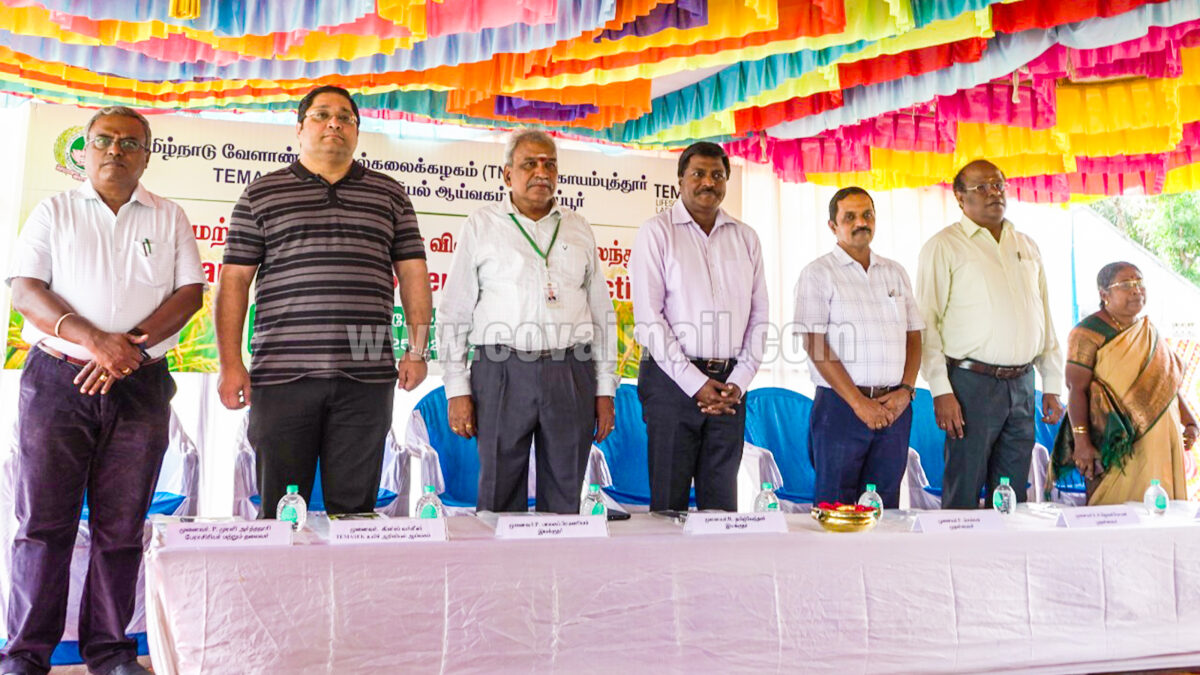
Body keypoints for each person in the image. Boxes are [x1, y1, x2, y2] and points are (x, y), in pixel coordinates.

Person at [4, 107, 205, 675]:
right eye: (104, 140)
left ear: (146, 154)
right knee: (43, 526)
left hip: (139, 385)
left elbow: (189, 294)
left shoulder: (169, 217)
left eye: (130, 142)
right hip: (56, 384)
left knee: (121, 527)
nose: (116, 150)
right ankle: (25, 654)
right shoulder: (55, 210)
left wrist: (128, 351)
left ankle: (110, 650)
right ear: (85, 150)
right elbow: (25, 291)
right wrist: (97, 342)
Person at [216, 85, 432, 517]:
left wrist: (417, 349)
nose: (334, 123)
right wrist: (231, 364)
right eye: (321, 115)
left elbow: (412, 275)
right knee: (281, 512)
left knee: (354, 514)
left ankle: (348, 588)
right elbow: (235, 281)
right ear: (299, 129)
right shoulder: (261, 194)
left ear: (357, 131)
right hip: (281, 376)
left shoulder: (390, 195)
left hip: (366, 377)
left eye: (345, 117)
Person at [437, 130, 617, 514]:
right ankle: (501, 575)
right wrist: (456, 388)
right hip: (500, 371)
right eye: (529, 164)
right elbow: (454, 311)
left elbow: (603, 314)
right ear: (506, 175)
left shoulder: (578, 226)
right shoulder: (481, 225)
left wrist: (606, 390)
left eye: (549, 164)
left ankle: (558, 571)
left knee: (567, 492)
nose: (541, 172)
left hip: (571, 370)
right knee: (499, 492)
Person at [916, 159, 1065, 509]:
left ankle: (1006, 562)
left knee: (1013, 491)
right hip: (970, 385)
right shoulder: (943, 246)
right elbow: (927, 323)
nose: (993, 193)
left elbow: (1044, 316)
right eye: (981, 187)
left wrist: (1053, 384)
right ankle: (958, 562)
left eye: (998, 185)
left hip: (1023, 384)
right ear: (959, 197)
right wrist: (940, 390)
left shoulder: (1026, 244)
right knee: (964, 487)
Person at [631, 141, 768, 512]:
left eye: (718, 175)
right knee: (669, 506)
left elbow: (760, 318)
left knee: (722, 508)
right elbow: (649, 318)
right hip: (671, 386)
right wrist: (695, 384)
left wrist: (737, 383)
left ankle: (719, 573)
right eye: (699, 174)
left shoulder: (745, 237)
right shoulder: (656, 232)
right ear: (680, 180)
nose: (709, 182)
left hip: (729, 390)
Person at [794, 187, 922, 508]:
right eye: (849, 217)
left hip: (894, 407)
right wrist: (858, 403)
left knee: (884, 505)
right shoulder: (818, 273)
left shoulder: (895, 272)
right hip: (841, 408)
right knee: (836, 507)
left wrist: (906, 390)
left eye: (867, 215)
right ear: (833, 226)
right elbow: (814, 341)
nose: (860, 222)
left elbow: (914, 335)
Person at [1056, 262, 1198, 504]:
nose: (1136, 290)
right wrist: (1082, 441)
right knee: (1117, 513)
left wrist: (1189, 420)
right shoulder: (1087, 332)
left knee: (1162, 512)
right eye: (1126, 285)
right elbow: (1076, 388)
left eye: (1139, 283)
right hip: (1120, 443)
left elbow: (1167, 382)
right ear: (1104, 294)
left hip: (1163, 439)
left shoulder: (1148, 331)